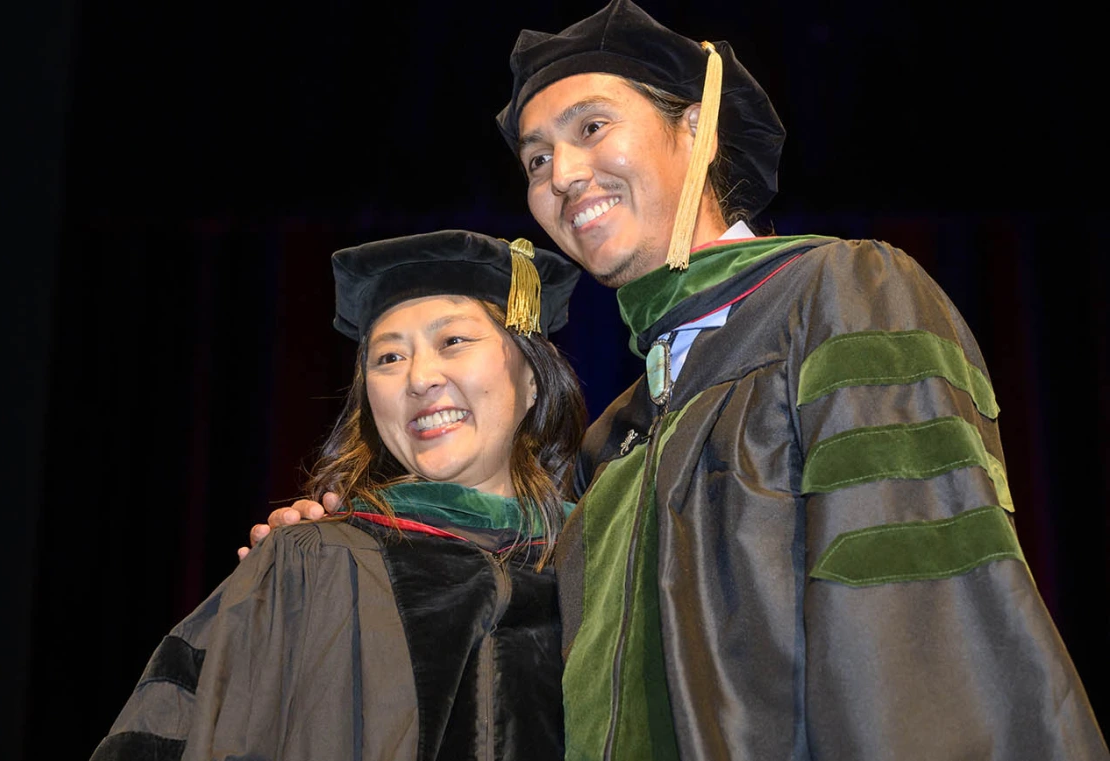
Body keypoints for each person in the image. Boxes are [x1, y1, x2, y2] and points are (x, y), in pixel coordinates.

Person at [259, 1, 1108, 758]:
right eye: (538, 158)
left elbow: (921, 622)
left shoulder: (841, 298)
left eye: (592, 128)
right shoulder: (618, 434)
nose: (563, 175)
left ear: (694, 129)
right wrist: (349, 543)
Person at [92, 229, 587, 761]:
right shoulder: (314, 564)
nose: (419, 379)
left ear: (532, 376)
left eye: (453, 342)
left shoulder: (603, 563)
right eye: (389, 358)